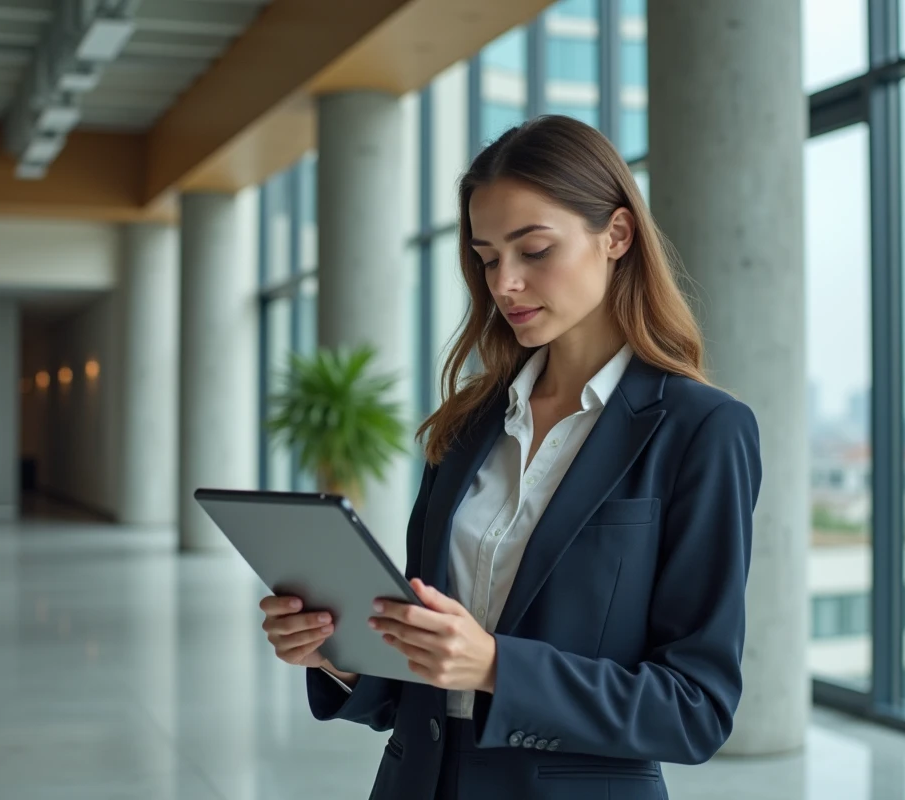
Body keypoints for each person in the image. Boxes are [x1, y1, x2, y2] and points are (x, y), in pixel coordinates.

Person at [260, 114, 762, 800]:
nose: (505, 284)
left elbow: (694, 709)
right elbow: (420, 678)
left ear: (616, 235)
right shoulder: (469, 422)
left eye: (534, 250)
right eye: (488, 258)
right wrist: (339, 657)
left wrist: (498, 667)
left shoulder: (702, 430)